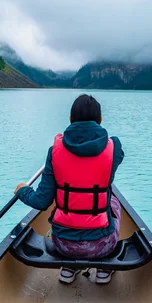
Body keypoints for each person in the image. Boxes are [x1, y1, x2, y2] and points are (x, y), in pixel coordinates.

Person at [14, 94, 125, 285]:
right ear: (100, 120)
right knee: (113, 201)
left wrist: (22, 190)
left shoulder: (54, 151)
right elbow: (118, 155)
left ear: (70, 120)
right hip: (102, 246)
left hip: (62, 246)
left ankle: (68, 267)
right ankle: (104, 269)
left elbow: (41, 201)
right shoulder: (114, 147)